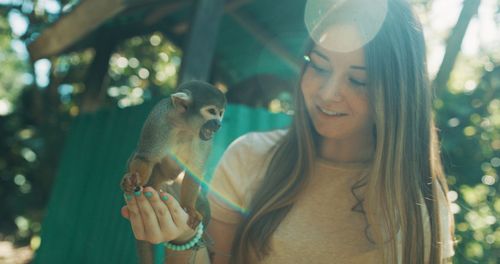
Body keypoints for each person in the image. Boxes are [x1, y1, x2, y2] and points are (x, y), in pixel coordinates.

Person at [121, 0, 456, 263]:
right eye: (319, 65)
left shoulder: (420, 197)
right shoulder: (249, 157)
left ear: (397, 93)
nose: (327, 93)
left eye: (358, 80)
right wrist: (183, 238)